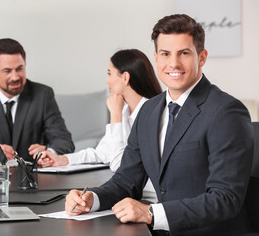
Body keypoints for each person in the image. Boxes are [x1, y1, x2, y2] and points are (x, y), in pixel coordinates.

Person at [64, 14, 254, 236]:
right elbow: (127, 181)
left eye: (184, 53)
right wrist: (91, 199)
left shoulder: (226, 112)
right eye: (165, 54)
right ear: (156, 57)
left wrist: (152, 213)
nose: (173, 63)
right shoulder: (149, 111)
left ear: (202, 57)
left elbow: (225, 198)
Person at [37, 49, 162, 202]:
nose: (107, 80)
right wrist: (61, 159)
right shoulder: (124, 110)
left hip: (149, 200)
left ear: (125, 77)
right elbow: (102, 153)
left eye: (110, 73)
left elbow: (120, 166)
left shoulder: (152, 115)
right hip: (129, 196)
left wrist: (115, 116)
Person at [0, 38, 75, 163]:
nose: (15, 77)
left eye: (19, 69)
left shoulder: (43, 95)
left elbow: (64, 142)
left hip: (35, 178)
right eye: (7, 71)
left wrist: (49, 153)